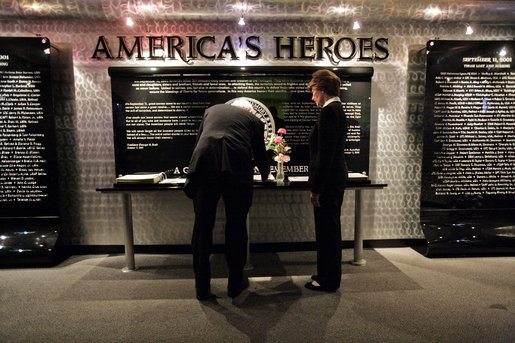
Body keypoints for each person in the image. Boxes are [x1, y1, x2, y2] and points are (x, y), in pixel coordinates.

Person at [184, 99, 271, 300]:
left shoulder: (211, 109)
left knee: (203, 226)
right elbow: (259, 152)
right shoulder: (254, 120)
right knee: (236, 225)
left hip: (204, 162)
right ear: (249, 111)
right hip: (236, 163)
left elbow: (199, 142)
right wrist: (266, 174)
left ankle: (201, 286)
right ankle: (235, 283)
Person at [305, 69, 348, 292]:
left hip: (328, 182)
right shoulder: (337, 109)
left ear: (321, 89)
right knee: (328, 229)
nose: (312, 97)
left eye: (313, 91)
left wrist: (317, 188)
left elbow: (326, 154)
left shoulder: (329, 112)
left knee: (328, 232)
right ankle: (325, 274)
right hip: (333, 179)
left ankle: (328, 279)